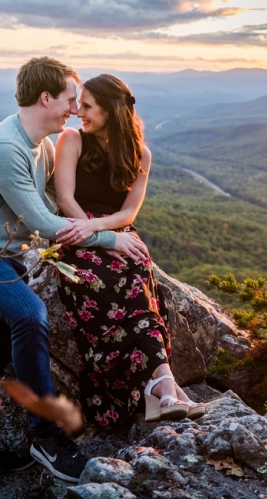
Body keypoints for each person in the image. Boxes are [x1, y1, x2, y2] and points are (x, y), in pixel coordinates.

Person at [0, 57, 148, 485]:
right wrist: (112, 239)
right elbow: (43, 222)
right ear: (46, 99)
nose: (76, 109)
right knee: (29, 315)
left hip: (7, 259)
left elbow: (72, 201)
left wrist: (110, 220)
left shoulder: (44, 146)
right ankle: (46, 435)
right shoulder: (5, 148)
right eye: (72, 100)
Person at [53, 74, 205, 427]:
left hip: (116, 230)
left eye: (87, 106)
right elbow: (65, 200)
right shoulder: (71, 140)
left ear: (110, 110)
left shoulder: (140, 154)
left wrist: (106, 229)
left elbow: (129, 211)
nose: (78, 112)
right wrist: (92, 231)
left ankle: (161, 384)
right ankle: (167, 388)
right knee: (111, 283)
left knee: (139, 280)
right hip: (76, 233)